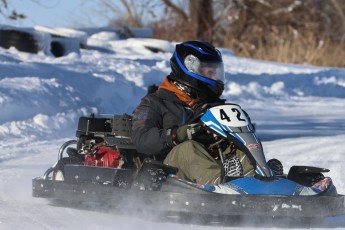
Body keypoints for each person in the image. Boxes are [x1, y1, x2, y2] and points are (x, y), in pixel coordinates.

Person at [131, 40, 254, 185]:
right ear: (190, 69)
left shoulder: (214, 106)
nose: (215, 77)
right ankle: (220, 187)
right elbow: (142, 140)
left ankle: (257, 183)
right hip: (166, 170)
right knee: (188, 148)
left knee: (239, 150)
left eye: (216, 72)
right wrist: (176, 135)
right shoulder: (154, 103)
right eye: (210, 72)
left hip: (208, 163)